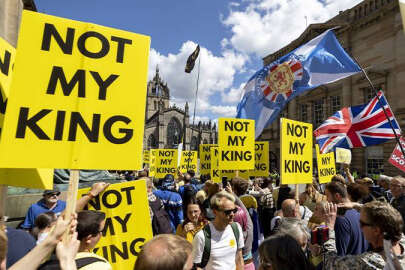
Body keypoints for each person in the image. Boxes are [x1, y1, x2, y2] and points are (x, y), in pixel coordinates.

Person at [323, 201, 405, 269]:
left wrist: (329, 228)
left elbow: (330, 261)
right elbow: (390, 217)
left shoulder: (366, 262)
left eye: (362, 224)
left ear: (376, 230)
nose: (359, 227)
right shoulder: (401, 240)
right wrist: (356, 206)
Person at [192, 191, 244, 270]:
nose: (232, 214)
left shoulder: (236, 228)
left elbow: (239, 259)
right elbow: (196, 266)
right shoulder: (201, 236)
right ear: (215, 212)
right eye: (227, 212)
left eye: (234, 210)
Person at [325, 181, 368, 256]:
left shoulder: (340, 220)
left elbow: (338, 258)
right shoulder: (361, 214)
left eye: (327, 196)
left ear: (337, 196)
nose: (326, 200)